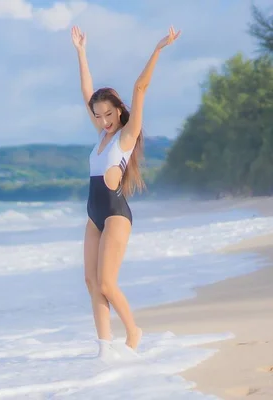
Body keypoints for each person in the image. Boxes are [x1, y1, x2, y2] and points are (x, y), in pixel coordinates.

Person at [70, 25, 181, 353]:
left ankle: (133, 331)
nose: (104, 120)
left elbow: (140, 87)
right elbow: (86, 91)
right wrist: (81, 52)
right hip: (93, 216)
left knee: (106, 282)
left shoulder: (126, 136)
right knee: (91, 283)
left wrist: (159, 49)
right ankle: (104, 348)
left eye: (109, 113)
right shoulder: (102, 135)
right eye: (98, 115)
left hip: (116, 214)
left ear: (119, 110)